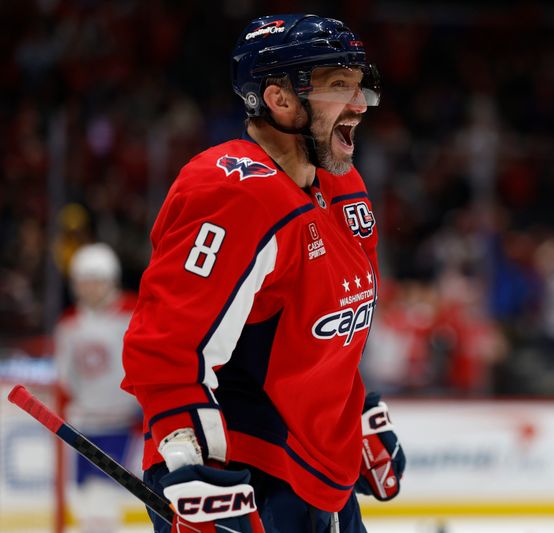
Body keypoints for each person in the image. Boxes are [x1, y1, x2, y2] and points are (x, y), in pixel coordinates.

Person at [121, 14, 405, 533]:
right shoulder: (230, 190)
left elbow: (330, 331)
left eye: (360, 85)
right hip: (245, 479)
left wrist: (358, 417)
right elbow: (167, 342)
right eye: (339, 87)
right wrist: (186, 462)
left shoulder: (344, 186)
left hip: (322, 475)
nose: (360, 104)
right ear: (279, 100)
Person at [55, 243, 141, 533]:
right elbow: (65, 377)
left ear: (111, 280)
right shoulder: (69, 324)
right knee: (88, 500)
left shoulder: (133, 313)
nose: (89, 288)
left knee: (110, 498)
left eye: (96, 280)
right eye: (83, 281)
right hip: (85, 425)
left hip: (124, 423)